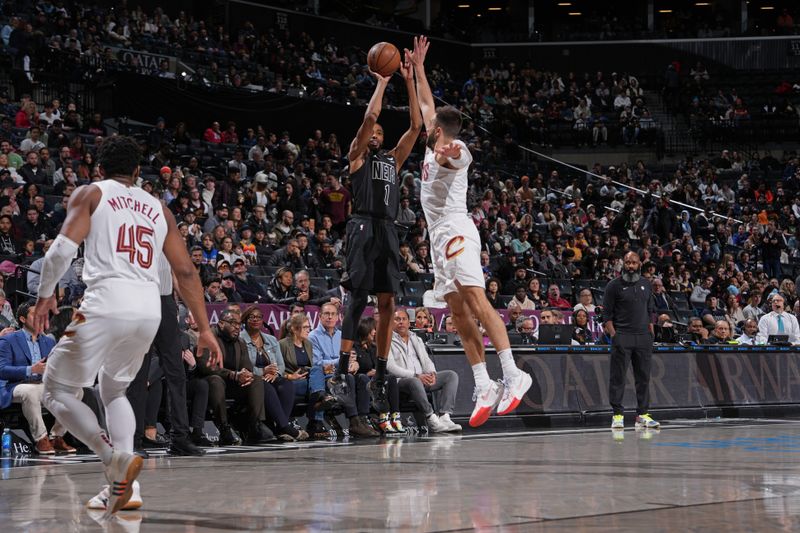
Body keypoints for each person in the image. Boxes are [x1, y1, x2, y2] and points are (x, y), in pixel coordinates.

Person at [32, 136, 221, 517]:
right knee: (114, 388)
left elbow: (59, 252)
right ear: (137, 172)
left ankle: (112, 456)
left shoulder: (92, 193)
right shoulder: (158, 208)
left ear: (98, 169)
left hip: (107, 301)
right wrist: (203, 327)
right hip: (149, 307)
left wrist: (44, 296)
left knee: (55, 389)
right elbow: (185, 271)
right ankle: (125, 489)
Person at [410, 35, 532, 427]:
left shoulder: (454, 149)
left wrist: (453, 152)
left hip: (458, 230)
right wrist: (418, 71)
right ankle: (485, 383)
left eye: (434, 128)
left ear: (442, 132)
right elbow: (428, 103)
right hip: (437, 240)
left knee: (478, 302)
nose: (428, 125)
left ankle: (513, 373)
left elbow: (462, 154)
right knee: (458, 314)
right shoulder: (432, 142)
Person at [335, 47, 421, 418]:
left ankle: (380, 372)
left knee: (387, 303)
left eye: (380, 133)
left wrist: (410, 81)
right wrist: (383, 83)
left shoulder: (392, 159)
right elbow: (371, 115)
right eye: (373, 131)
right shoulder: (357, 156)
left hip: (388, 230)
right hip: (362, 225)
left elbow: (416, 126)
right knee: (357, 299)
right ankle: (341, 370)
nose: (376, 134)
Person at [0, 302, 76, 454]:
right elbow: (2, 370)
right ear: (22, 319)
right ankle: (41, 439)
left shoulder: (49, 341)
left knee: (76, 391)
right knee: (30, 391)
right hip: (15, 386)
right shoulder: (9, 340)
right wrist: (31, 369)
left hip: (42, 385)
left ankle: (56, 436)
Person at [602, 251, 660, 430]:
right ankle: (617, 415)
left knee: (643, 378)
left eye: (634, 262)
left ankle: (642, 415)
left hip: (643, 338)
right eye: (627, 262)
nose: (630, 266)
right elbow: (606, 315)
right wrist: (614, 335)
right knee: (618, 377)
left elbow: (651, 311)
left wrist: (650, 333)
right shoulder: (613, 286)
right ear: (623, 264)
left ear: (639, 264)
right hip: (623, 336)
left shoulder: (646, 284)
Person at [240, 305, 307, 441]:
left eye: (259, 317)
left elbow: (280, 365)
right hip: (253, 379)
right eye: (252, 317)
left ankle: (280, 428)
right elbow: (242, 367)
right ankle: (284, 427)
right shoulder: (240, 339)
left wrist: (275, 373)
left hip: (271, 377)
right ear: (245, 320)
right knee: (267, 387)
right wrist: (262, 371)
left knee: (287, 385)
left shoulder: (270, 339)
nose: (256, 320)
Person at [388, 309, 461, 433]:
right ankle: (431, 417)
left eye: (404, 319)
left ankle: (444, 416)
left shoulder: (416, 339)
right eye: (397, 319)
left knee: (451, 376)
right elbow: (390, 367)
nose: (401, 322)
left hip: (422, 378)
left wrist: (432, 373)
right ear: (391, 323)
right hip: (402, 381)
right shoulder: (387, 340)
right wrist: (416, 375)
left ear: (408, 322)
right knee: (414, 381)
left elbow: (426, 361)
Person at [354, 316, 404, 434]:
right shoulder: (354, 347)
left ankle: (394, 416)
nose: (375, 332)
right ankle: (372, 418)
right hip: (360, 379)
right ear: (365, 329)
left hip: (374, 379)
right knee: (365, 378)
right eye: (373, 329)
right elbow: (354, 369)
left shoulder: (374, 347)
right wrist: (367, 373)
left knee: (390, 378)